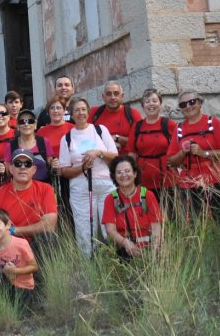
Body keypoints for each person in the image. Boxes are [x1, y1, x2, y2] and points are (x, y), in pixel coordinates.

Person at [57, 98, 118, 256]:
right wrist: (82, 167)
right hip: (81, 187)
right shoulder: (67, 138)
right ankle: (88, 263)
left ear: (88, 111)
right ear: (71, 114)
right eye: (77, 110)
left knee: (110, 225)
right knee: (84, 227)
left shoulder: (100, 130)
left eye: (83, 109)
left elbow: (115, 156)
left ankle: (114, 260)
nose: (81, 113)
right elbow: (64, 170)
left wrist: (98, 153)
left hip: (105, 184)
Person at [166, 89, 220, 222]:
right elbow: (171, 161)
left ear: (200, 102)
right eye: (183, 104)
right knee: (196, 226)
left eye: (192, 102)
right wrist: (183, 152)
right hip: (190, 184)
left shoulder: (212, 123)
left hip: (217, 180)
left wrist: (204, 153)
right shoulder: (179, 130)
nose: (188, 106)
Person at [0, 149, 58, 255]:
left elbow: (49, 226)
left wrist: (13, 230)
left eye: (27, 164)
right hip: (8, 248)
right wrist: (0, 242)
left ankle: (39, 271)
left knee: (48, 238)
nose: (22, 167)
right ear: (11, 169)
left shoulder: (46, 189)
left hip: (36, 247)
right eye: (18, 163)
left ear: (34, 169)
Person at [102, 156, 162, 258]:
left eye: (127, 171)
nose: (123, 175)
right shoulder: (111, 199)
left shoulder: (148, 195)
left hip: (148, 249)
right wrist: (126, 243)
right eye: (119, 172)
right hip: (123, 249)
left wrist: (154, 251)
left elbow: (156, 226)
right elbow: (110, 230)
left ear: (135, 174)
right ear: (114, 176)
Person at [126, 89, 178, 207]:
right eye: (147, 101)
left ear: (160, 104)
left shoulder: (169, 124)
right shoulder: (137, 126)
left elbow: (180, 149)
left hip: (168, 179)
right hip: (144, 179)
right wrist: (130, 177)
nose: (151, 104)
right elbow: (132, 154)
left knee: (171, 216)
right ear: (143, 106)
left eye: (155, 100)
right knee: (147, 215)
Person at [36, 96, 76, 229]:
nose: (55, 111)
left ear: (65, 110)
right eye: (52, 108)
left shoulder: (72, 128)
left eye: (59, 107)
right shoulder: (41, 132)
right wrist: (50, 163)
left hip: (70, 172)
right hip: (50, 174)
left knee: (70, 206)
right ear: (48, 112)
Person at [0, 208, 38, 301]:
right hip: (5, 288)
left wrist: (15, 271)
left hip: (24, 288)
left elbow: (34, 267)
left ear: (8, 225)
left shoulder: (21, 244)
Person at [89, 81, 142, 153]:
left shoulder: (133, 113)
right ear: (103, 97)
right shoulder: (94, 113)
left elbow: (141, 140)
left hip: (127, 161)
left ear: (122, 96)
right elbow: (85, 137)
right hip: (101, 162)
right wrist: (108, 142)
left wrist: (117, 138)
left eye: (116, 94)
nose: (113, 97)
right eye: (109, 94)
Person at [4, 109, 53, 184]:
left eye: (30, 121)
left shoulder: (44, 142)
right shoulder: (11, 146)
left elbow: (50, 168)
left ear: (35, 124)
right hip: (20, 189)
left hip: (43, 189)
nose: (26, 124)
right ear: (18, 126)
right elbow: (8, 172)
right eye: (22, 121)